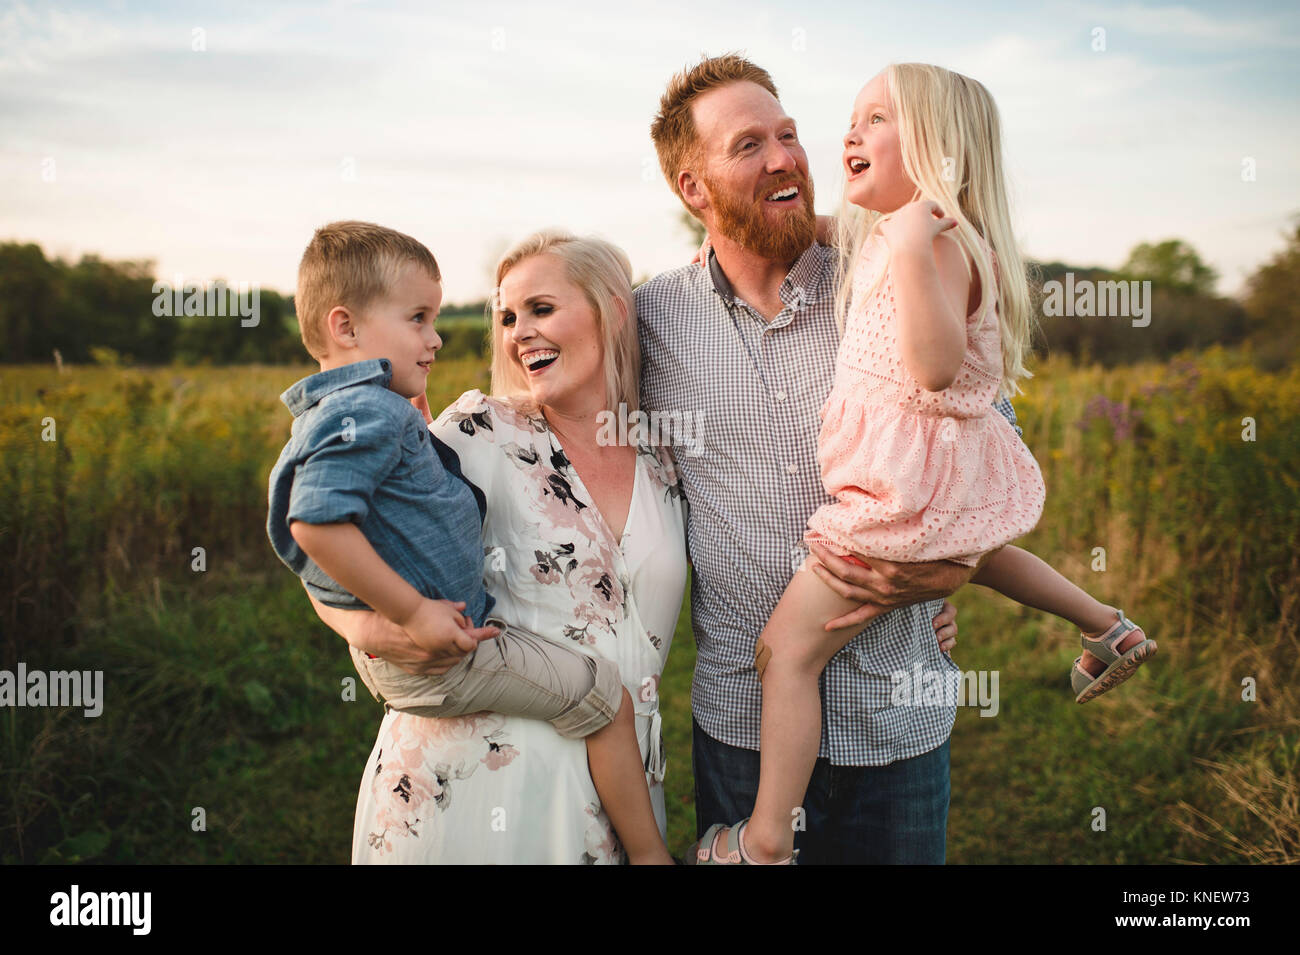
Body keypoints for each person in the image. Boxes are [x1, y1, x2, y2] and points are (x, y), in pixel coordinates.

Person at [676, 64, 1157, 865]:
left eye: (874, 120)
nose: (843, 137)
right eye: (751, 146)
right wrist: (844, 230)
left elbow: (935, 369)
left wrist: (903, 247)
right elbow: (823, 232)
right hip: (918, 488)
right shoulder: (889, 237)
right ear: (694, 186)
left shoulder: (930, 246)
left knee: (785, 652)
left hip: (894, 509)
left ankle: (762, 843)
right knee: (989, 554)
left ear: (940, 148)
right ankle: (1105, 624)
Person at [638, 53, 967, 865]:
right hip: (743, 726)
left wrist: (951, 570)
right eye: (749, 145)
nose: (785, 158)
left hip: (899, 721)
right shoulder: (648, 322)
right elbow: (557, 418)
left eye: (788, 135)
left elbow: (984, 449)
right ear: (694, 188)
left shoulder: (890, 275)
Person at [308, 229, 688, 863]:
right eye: (508, 317)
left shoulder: (662, 457)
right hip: (475, 786)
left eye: (541, 309)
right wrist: (373, 625)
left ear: (614, 310)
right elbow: (330, 540)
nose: (518, 333)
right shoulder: (476, 429)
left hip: (624, 789)